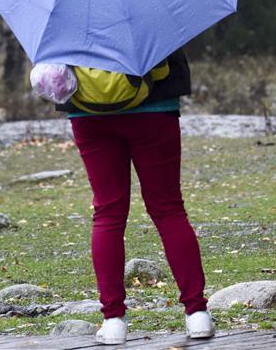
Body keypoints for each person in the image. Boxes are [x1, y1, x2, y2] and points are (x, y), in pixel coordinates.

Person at [54, 49, 213, 344]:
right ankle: (197, 314)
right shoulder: (155, 1)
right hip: (154, 106)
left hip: (88, 110)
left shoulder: (65, 5)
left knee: (108, 214)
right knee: (169, 210)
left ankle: (113, 320)